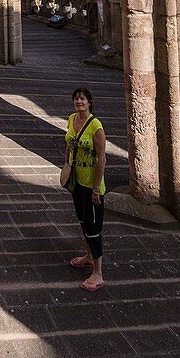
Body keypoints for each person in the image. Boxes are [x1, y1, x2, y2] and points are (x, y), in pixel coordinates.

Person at [64, 86, 106, 292]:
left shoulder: (96, 126)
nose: (79, 101)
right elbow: (69, 143)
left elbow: (102, 159)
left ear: (90, 102)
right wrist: (66, 164)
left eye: (83, 99)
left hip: (91, 184)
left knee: (94, 228)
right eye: (76, 99)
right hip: (77, 181)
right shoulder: (72, 119)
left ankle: (98, 273)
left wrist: (96, 189)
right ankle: (89, 257)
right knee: (83, 221)